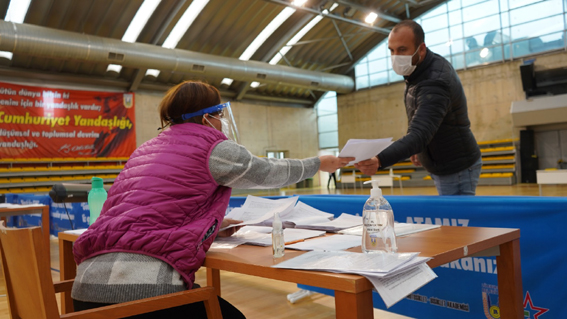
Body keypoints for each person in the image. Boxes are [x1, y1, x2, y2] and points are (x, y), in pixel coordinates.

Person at [71, 81, 354, 318]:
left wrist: (213, 225)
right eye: (219, 113)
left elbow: (152, 212)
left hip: (84, 293)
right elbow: (268, 172)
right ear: (209, 116)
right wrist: (318, 163)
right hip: (143, 295)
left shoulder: (145, 150)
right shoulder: (212, 146)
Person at [355, 20, 482, 195]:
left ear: (421, 49)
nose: (395, 56)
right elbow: (418, 113)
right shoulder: (416, 70)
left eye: (402, 50)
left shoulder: (435, 82)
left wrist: (379, 159)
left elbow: (420, 133)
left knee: (458, 221)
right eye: (391, 51)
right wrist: (419, 149)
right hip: (441, 163)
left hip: (456, 167)